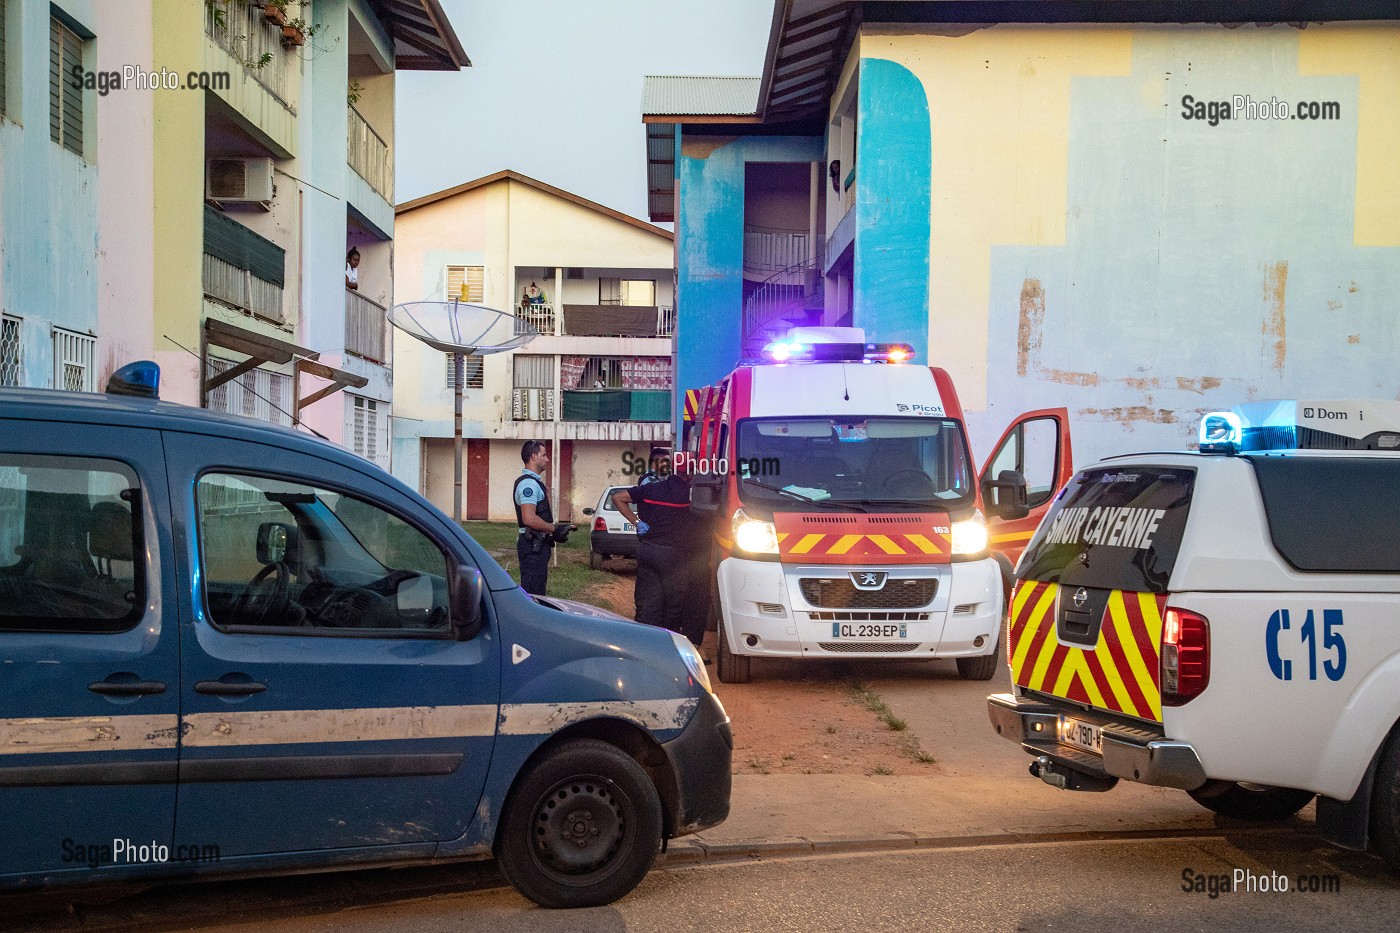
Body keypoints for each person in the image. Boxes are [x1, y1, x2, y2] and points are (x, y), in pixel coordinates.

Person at [612, 455, 711, 646]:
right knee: (673, 604)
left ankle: (646, 643)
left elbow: (618, 497)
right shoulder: (689, 496)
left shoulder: (652, 488)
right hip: (671, 556)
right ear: (691, 473)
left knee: (650, 601)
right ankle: (668, 645)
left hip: (646, 550)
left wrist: (637, 522)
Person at [514, 440, 574, 596]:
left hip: (537, 546)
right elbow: (529, 518)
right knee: (533, 596)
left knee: (537, 591)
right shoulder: (529, 485)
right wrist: (554, 528)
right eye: (544, 455)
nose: (547, 459)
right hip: (532, 547)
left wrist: (553, 533)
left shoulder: (533, 483)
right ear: (534, 456)